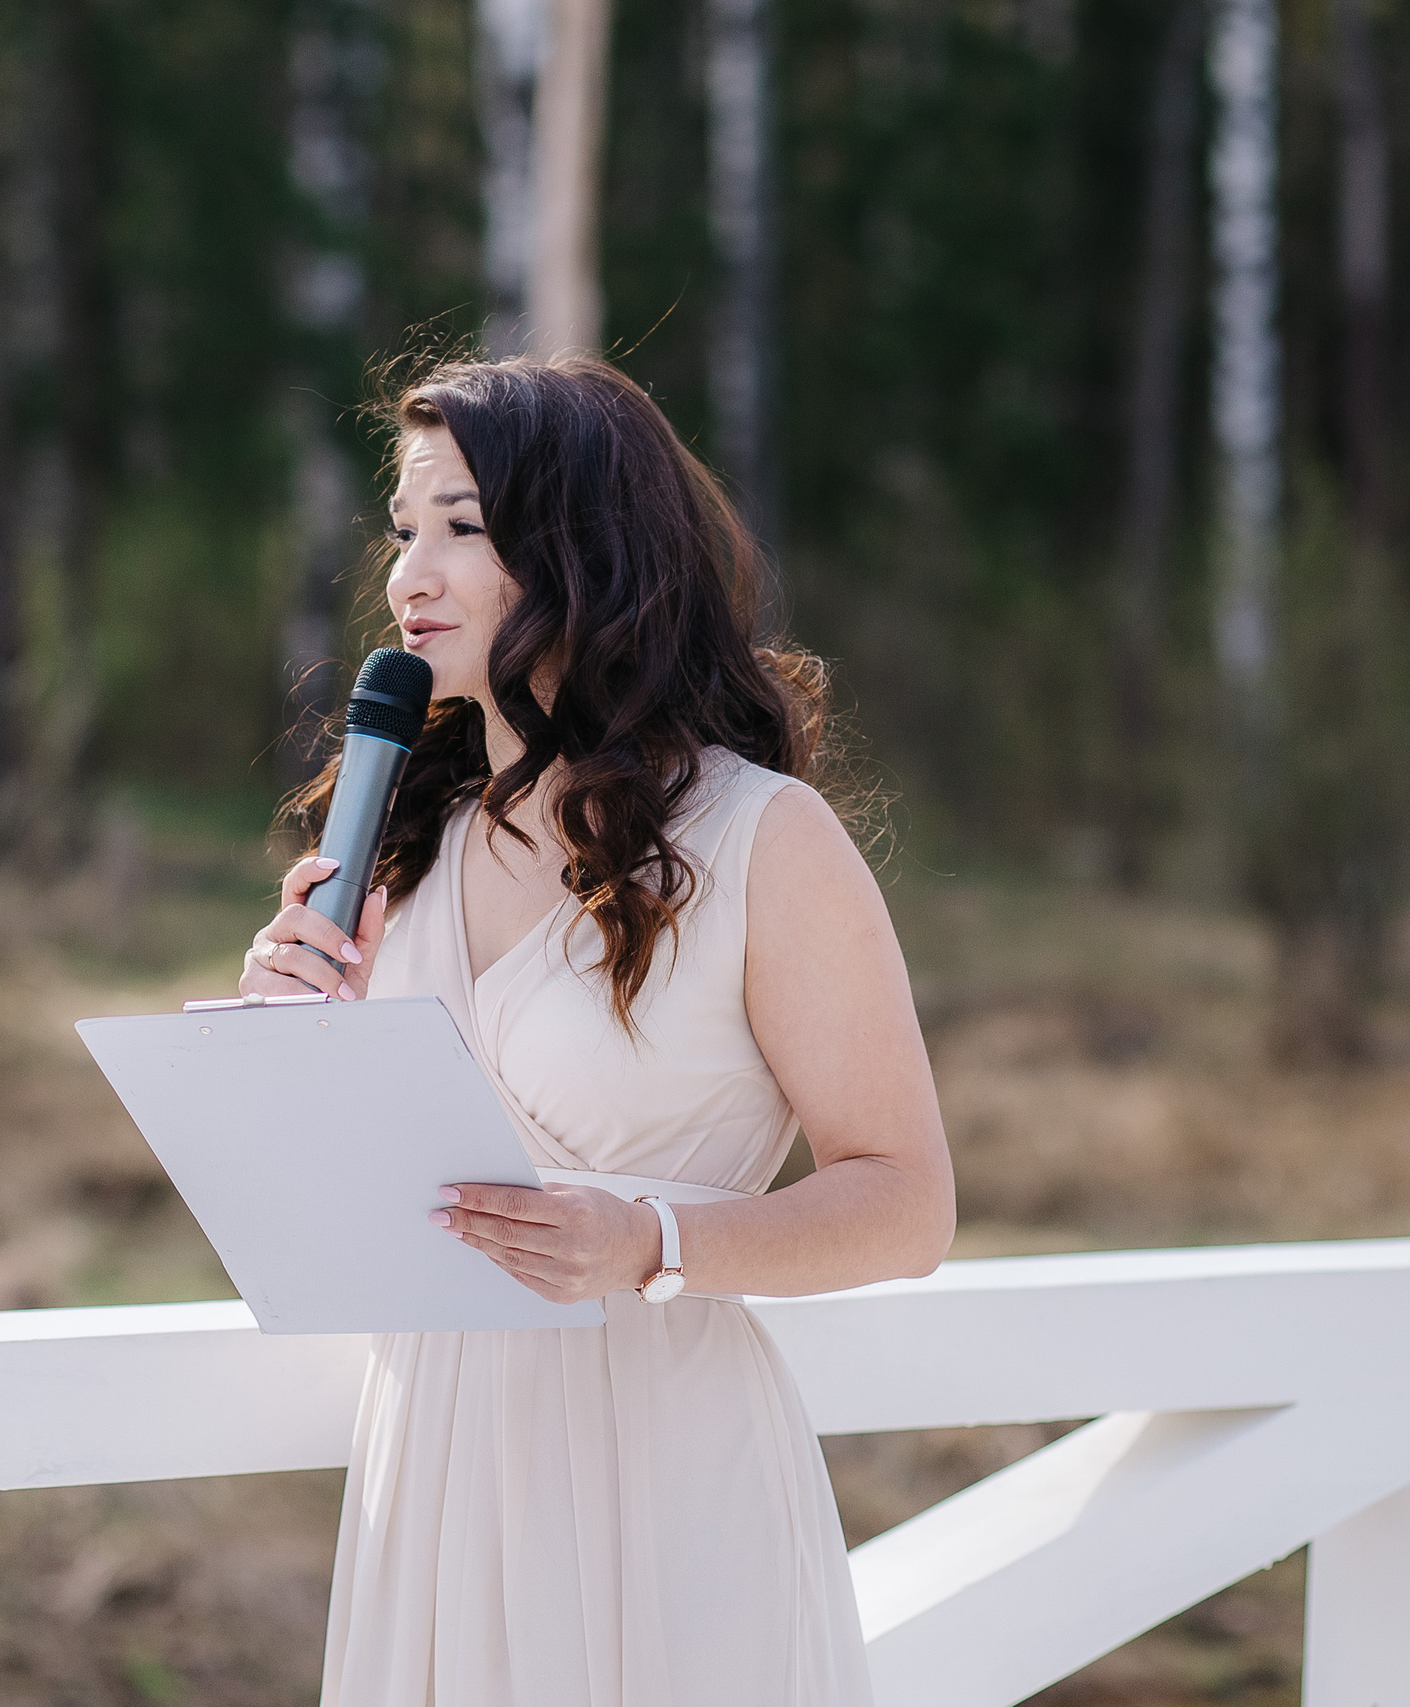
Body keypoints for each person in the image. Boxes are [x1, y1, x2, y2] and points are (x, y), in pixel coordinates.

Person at [238, 354, 955, 1707]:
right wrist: (286, 1040)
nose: (408, 578)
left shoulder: (760, 836)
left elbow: (906, 1205)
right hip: (433, 1464)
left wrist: (648, 1242)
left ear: (583, 550)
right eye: (402, 531)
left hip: (660, 1471)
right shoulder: (401, 848)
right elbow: (346, 1217)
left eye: (461, 528)